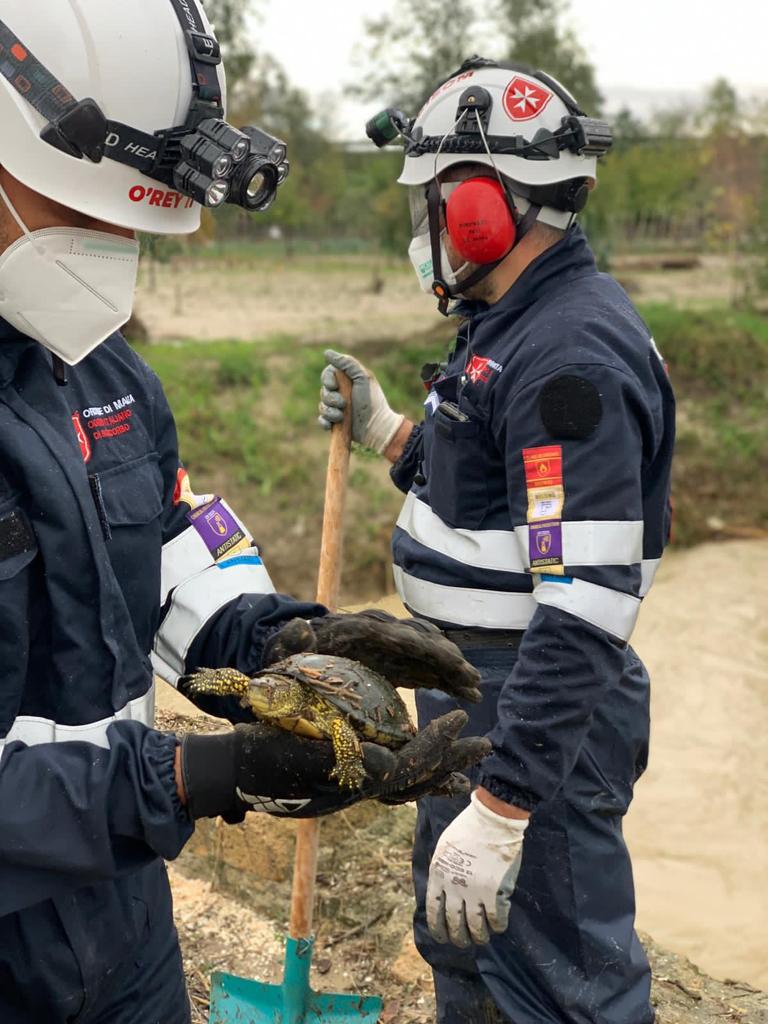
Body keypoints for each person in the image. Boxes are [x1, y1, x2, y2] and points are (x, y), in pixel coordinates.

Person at [0, 6, 491, 1023]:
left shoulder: (107, 376)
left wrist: (284, 642)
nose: (116, 245)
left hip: (121, 919)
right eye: (88, 210)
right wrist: (188, 775)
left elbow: (171, 557)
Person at [319, 57, 675, 1024]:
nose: (423, 231)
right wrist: (394, 430)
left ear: (484, 209)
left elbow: (583, 603)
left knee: (562, 986)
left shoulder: (570, 357)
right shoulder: (508, 325)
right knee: (469, 950)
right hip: (478, 694)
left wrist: (507, 801)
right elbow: (492, 500)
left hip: (535, 710)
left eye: (434, 204)